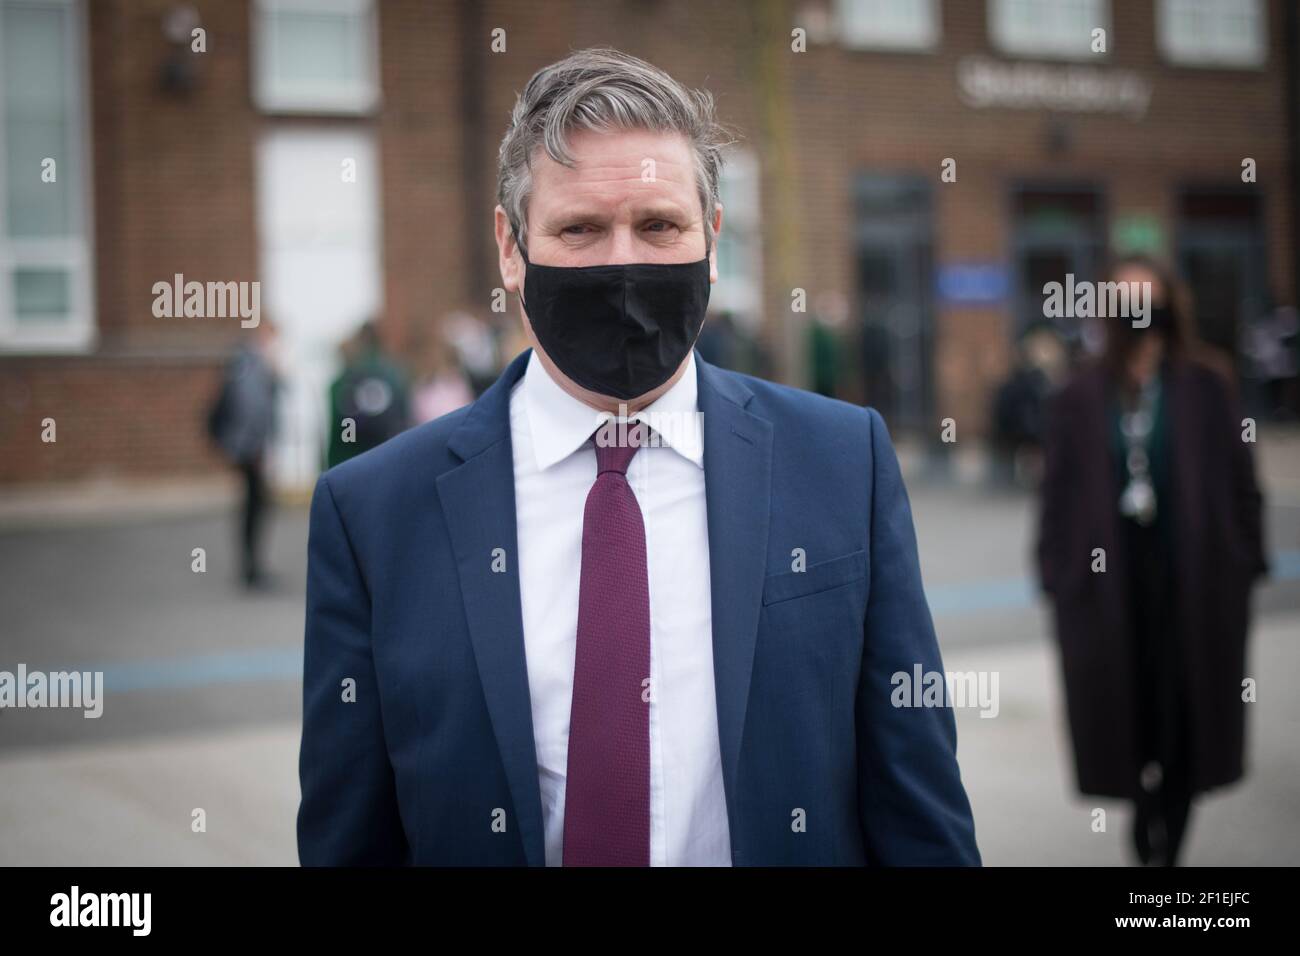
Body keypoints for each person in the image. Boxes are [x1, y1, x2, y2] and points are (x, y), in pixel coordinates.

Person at [298, 48, 980, 867]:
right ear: (511, 249)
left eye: (659, 226)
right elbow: (351, 840)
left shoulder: (842, 463)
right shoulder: (372, 512)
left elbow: (921, 809)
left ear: (713, 236)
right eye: (580, 229)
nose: (624, 264)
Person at [1036, 255, 1268, 866]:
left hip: (1195, 576)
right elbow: (1055, 495)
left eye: (1150, 297)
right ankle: (1142, 814)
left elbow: (1243, 480)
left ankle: (1171, 826)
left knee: (1189, 704)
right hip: (1109, 583)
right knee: (1124, 704)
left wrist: (1247, 558)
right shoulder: (1079, 394)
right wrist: (1056, 573)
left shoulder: (1206, 381)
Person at [207, 319, 283, 589]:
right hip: (251, 449)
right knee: (255, 507)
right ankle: (251, 569)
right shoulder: (253, 364)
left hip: (246, 447)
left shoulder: (244, 363)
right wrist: (257, 448)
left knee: (254, 505)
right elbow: (253, 408)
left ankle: (251, 567)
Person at [325, 321, 411, 469]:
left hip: (354, 458)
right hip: (389, 456)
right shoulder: (395, 375)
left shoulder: (347, 379)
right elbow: (402, 420)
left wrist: (348, 452)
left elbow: (348, 424)